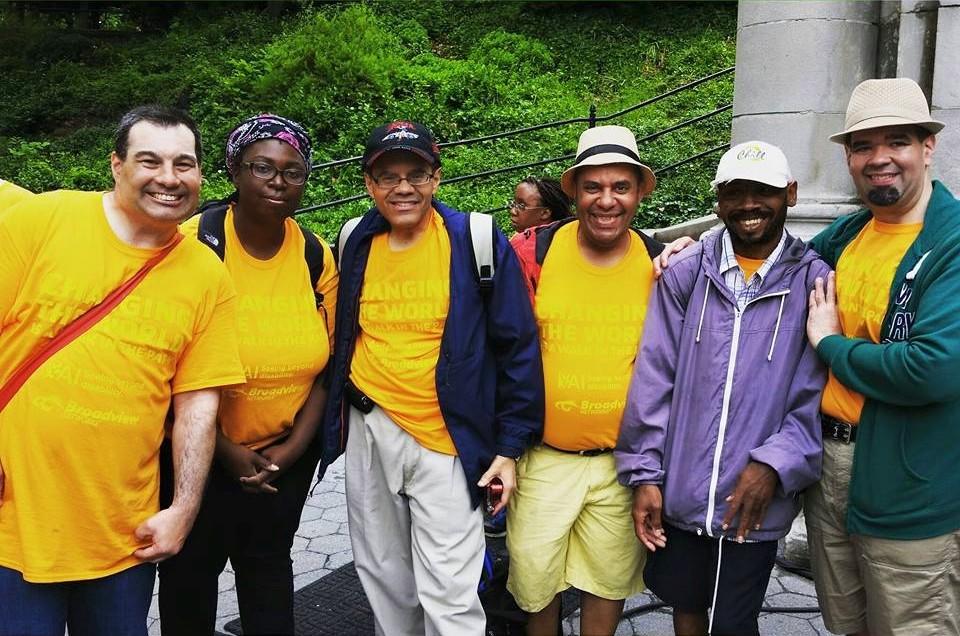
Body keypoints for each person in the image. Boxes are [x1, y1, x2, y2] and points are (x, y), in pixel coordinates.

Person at [0, 105, 245, 636]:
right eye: (149, 160)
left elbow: (198, 403)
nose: (168, 178)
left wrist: (183, 508)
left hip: (123, 535)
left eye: (184, 164)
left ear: (201, 175)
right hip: (12, 528)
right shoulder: (45, 220)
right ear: (116, 165)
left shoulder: (205, 273)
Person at [321, 120, 544, 635]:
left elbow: (518, 348)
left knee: (449, 588)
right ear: (369, 184)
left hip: (448, 438)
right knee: (382, 575)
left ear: (437, 179)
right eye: (389, 176)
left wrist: (508, 449)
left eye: (416, 174)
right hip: (369, 429)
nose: (403, 187)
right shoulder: (355, 239)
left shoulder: (476, 240)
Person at [615, 141, 829, 636]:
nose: (749, 204)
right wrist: (646, 474)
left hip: (755, 496)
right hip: (683, 489)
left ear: (791, 194)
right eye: (735, 192)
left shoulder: (814, 282)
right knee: (685, 604)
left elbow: (812, 395)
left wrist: (774, 463)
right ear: (717, 201)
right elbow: (654, 378)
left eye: (764, 191)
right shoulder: (687, 273)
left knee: (735, 621)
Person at [158, 114, 337, 636]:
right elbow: (160, 364)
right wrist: (224, 450)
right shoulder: (191, 244)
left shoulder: (313, 253)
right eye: (262, 167)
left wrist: (293, 449)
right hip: (196, 458)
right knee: (190, 582)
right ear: (235, 171)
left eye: (293, 170)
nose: (278, 181)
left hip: (285, 459)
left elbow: (330, 366)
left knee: (268, 575)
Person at [805, 77, 960, 636]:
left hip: (910, 482)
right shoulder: (847, 235)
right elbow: (770, 259)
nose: (879, 159)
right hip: (828, 474)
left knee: (911, 624)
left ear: (927, 147)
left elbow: (932, 368)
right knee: (843, 622)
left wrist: (830, 343)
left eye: (896, 141)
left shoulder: (953, 243)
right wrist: (687, 247)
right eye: (863, 146)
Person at [506, 125, 666, 636]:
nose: (606, 200)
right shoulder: (534, 252)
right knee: (536, 587)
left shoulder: (661, 259)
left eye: (620, 186)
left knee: (608, 584)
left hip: (622, 465)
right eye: (593, 187)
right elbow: (501, 345)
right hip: (543, 459)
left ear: (640, 191)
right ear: (572, 191)